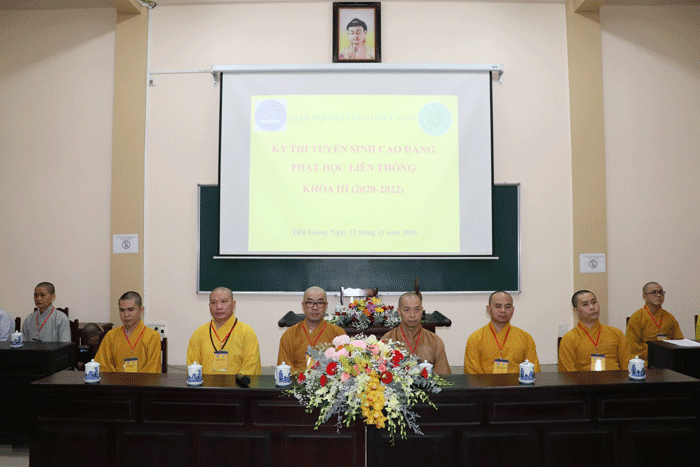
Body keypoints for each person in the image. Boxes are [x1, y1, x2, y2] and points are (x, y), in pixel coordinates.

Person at [187, 287, 261, 375]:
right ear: (209, 306)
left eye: (224, 301)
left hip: (237, 387)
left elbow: (251, 367)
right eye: (214, 303)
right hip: (206, 387)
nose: (218, 307)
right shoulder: (199, 333)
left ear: (233, 305)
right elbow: (193, 367)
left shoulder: (247, 332)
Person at [464, 291, 541, 374]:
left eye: (508, 307)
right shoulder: (475, 338)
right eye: (498, 306)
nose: (503, 310)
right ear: (488, 309)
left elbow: (534, 372)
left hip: (517, 386)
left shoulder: (525, 338)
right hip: (486, 386)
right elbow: (472, 374)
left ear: (513, 310)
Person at [278, 286, 346, 373]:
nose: (315, 307)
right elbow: (284, 368)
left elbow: (344, 368)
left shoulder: (338, 333)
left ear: (326, 306)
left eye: (320, 303)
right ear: (303, 305)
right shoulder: (289, 335)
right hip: (297, 383)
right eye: (310, 303)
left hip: (328, 384)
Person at [559, 290, 631, 372]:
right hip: (583, 384)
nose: (592, 307)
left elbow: (627, 366)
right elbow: (568, 374)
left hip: (616, 383)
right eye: (585, 304)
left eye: (594, 302)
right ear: (576, 311)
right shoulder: (569, 339)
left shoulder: (616, 333)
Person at [381, 292, 451, 375]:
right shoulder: (387, 339)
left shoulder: (435, 341)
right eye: (407, 310)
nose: (412, 315)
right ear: (399, 312)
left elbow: (444, 378)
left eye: (417, 309)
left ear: (422, 311)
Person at [94, 292, 161, 372]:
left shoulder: (152, 336)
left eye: (131, 310)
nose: (126, 315)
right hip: (115, 382)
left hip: (142, 383)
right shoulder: (111, 335)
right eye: (122, 310)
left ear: (141, 310)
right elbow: (102, 365)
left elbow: (152, 369)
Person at [625, 282, 683, 361]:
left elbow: (679, 340)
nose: (659, 295)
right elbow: (633, 346)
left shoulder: (669, 317)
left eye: (661, 292)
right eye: (654, 292)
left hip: (667, 358)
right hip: (646, 360)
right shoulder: (637, 317)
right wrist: (655, 355)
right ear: (645, 297)